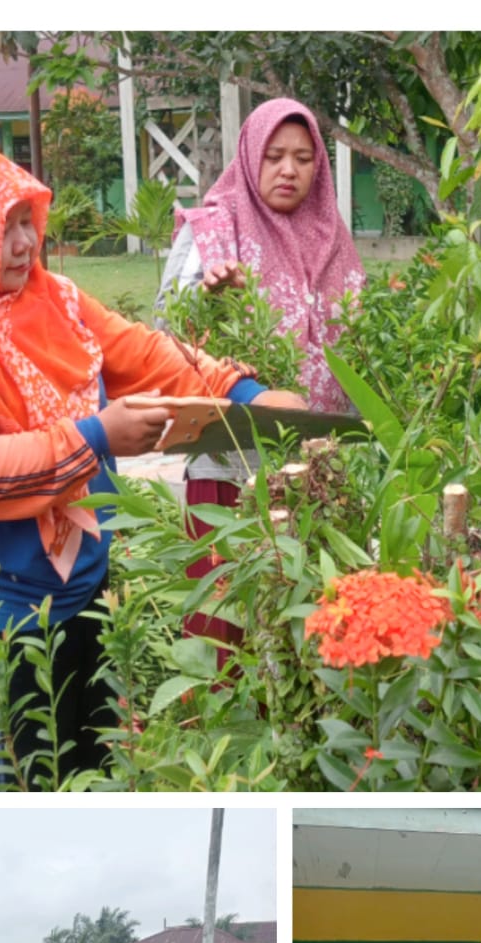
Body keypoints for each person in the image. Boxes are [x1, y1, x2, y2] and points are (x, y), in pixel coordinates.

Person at [0, 139, 303, 782]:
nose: (26, 243)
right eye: (4, 227)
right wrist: (95, 437)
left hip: (77, 588)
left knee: (91, 771)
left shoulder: (53, 299)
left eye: (29, 220)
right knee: (4, 781)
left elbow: (146, 355)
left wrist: (243, 393)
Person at [156, 98, 365, 656]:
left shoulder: (332, 237)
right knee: (229, 621)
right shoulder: (213, 230)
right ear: (250, 157)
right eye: (274, 156)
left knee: (311, 627)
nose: (289, 170)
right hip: (231, 466)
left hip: (317, 467)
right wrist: (206, 302)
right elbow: (164, 336)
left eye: (302, 158)